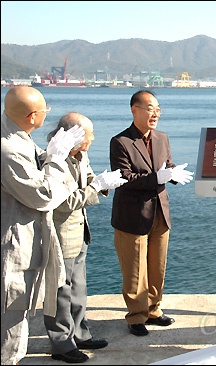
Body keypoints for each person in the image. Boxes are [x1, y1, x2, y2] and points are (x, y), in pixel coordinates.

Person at [1, 86, 85, 365]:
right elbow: (45, 195)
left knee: (18, 314)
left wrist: (53, 154)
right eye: (44, 110)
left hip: (25, 240)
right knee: (10, 321)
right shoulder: (9, 150)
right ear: (31, 116)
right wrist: (58, 159)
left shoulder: (18, 137)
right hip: (13, 246)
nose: (47, 113)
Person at [43, 112, 127, 363]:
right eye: (89, 133)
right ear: (75, 136)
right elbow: (63, 201)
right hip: (61, 234)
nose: (93, 137)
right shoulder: (52, 161)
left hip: (79, 231)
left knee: (78, 287)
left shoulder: (80, 155)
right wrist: (94, 187)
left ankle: (80, 333)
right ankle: (61, 344)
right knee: (60, 291)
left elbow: (87, 178)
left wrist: (102, 183)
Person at [109, 90, 194, 337]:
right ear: (134, 110)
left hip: (159, 212)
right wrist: (157, 178)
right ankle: (136, 316)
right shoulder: (120, 142)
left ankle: (154, 310)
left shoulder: (162, 138)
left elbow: (167, 167)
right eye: (149, 108)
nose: (155, 113)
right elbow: (125, 178)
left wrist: (174, 174)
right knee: (135, 271)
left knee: (157, 266)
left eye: (158, 108)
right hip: (132, 215)